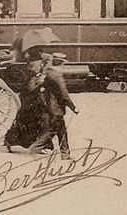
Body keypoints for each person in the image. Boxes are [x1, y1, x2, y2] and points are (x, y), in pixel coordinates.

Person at [4, 30, 79, 158]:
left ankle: (62, 153)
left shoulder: (33, 61)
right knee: (54, 130)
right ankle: (38, 148)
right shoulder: (51, 72)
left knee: (55, 130)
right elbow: (62, 93)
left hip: (45, 106)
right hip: (53, 109)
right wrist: (72, 106)